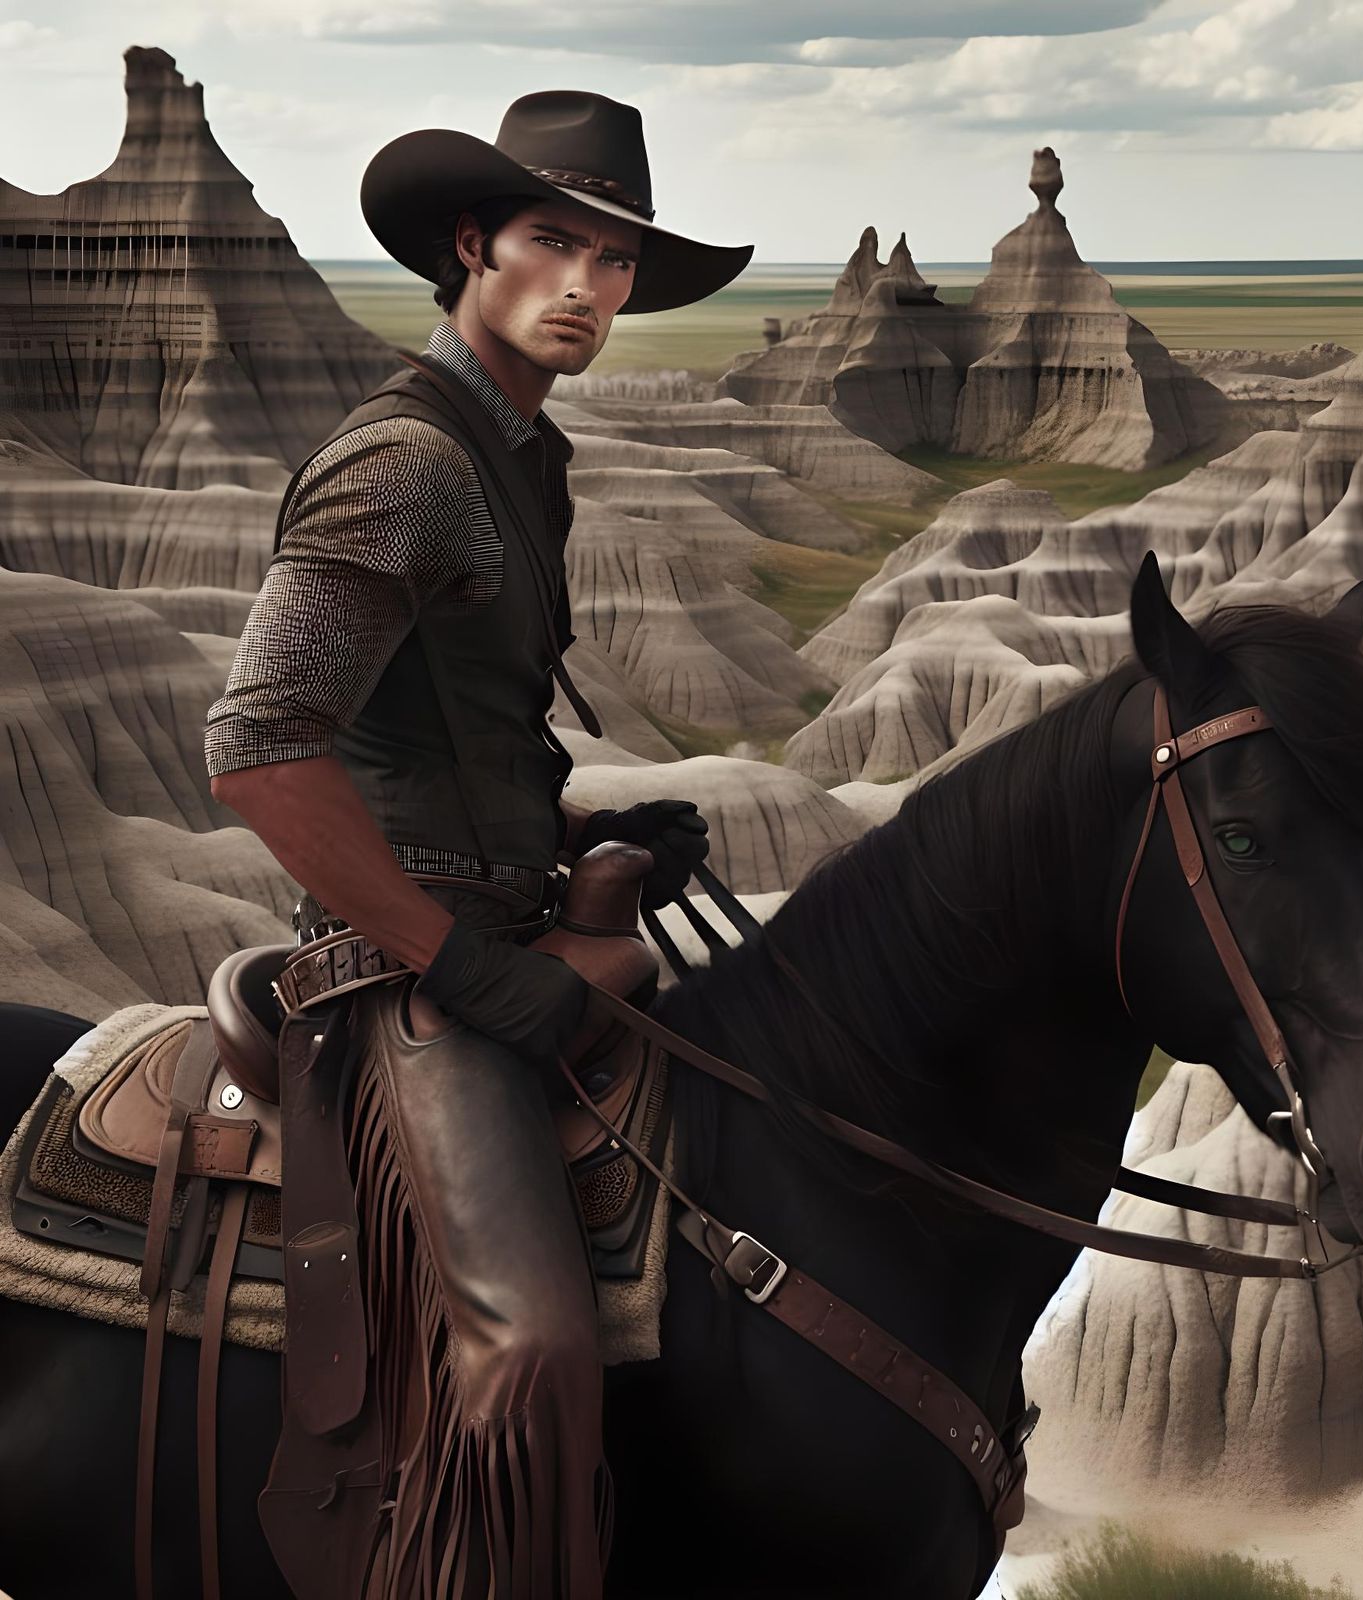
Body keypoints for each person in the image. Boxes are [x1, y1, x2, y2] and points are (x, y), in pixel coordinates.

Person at [203, 89, 751, 1598]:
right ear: (471, 247)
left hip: (511, 916)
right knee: (531, 1345)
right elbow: (257, 747)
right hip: (405, 968)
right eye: (553, 244)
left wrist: (590, 831)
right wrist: (461, 963)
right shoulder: (417, 461)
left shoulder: (518, 451)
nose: (590, 287)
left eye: (618, 261)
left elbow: (447, 738)